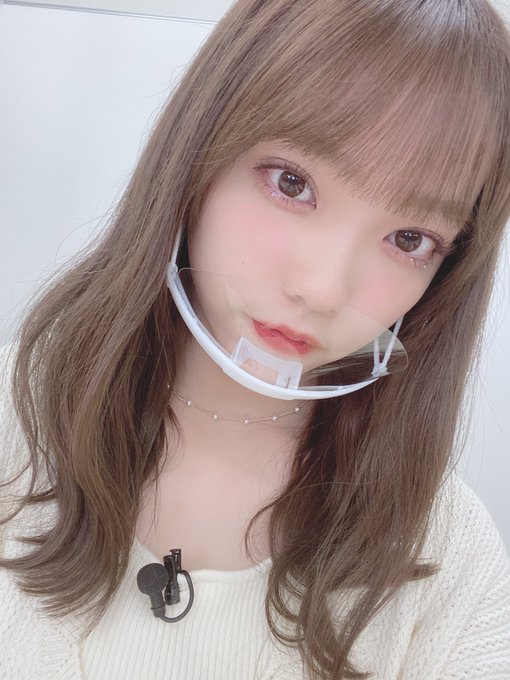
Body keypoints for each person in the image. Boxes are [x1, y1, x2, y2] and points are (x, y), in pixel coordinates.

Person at [1, 0, 510, 678]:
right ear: (199, 154)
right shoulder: (14, 421)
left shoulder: (450, 559)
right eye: (292, 184)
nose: (322, 288)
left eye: (409, 239)